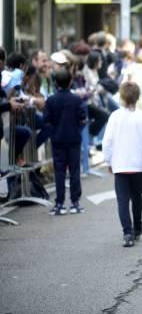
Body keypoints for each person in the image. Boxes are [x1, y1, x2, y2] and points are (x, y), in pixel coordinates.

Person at [103, 82, 142, 247]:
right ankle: (137, 227)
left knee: (122, 200)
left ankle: (127, 233)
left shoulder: (115, 116)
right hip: (138, 165)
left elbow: (107, 141)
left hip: (120, 164)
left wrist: (108, 160)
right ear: (138, 97)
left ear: (122, 97)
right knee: (137, 197)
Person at [44, 69, 88, 216]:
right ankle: (75, 203)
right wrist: (78, 129)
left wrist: (54, 132)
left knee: (59, 171)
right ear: (70, 82)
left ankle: (59, 203)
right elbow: (83, 118)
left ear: (55, 82)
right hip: (74, 139)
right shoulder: (77, 99)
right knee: (75, 171)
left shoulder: (50, 100)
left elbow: (46, 120)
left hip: (58, 140)